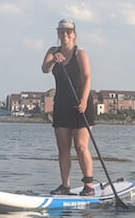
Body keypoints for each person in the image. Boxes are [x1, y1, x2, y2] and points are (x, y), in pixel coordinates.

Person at [41, 19, 96, 195]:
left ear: (74, 34)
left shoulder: (80, 53)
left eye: (68, 31)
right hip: (62, 105)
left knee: (80, 146)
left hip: (80, 104)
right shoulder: (52, 51)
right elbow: (45, 69)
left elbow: (87, 77)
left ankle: (89, 186)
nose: (64, 34)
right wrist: (53, 62)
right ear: (58, 34)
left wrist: (84, 100)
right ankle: (65, 185)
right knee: (63, 148)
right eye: (61, 31)